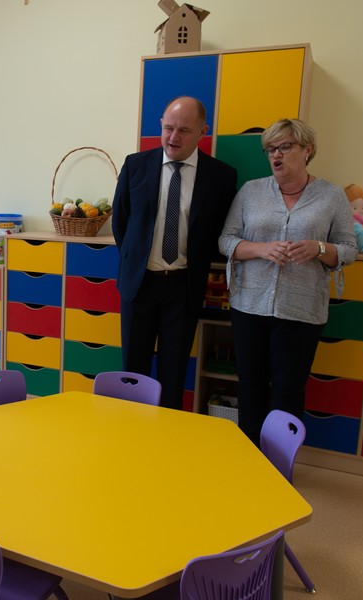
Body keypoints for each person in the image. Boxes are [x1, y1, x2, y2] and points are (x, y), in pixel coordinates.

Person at [217, 118, 358, 442]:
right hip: (249, 306)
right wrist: (261, 249)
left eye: (284, 147)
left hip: (301, 310)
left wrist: (318, 248)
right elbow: (226, 240)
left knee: (288, 391)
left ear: (307, 150)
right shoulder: (251, 191)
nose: (275, 155)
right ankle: (249, 456)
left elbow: (349, 250)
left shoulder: (331, 195)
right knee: (250, 386)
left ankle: (280, 459)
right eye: (270, 149)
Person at [112, 96, 237, 410]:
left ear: (202, 132)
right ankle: (130, 429)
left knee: (173, 373)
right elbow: (121, 221)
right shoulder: (135, 165)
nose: (173, 137)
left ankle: (166, 432)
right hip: (139, 285)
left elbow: (220, 231)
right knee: (133, 372)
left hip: (183, 288)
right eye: (168, 128)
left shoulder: (221, 177)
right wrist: (135, 259)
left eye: (183, 130)